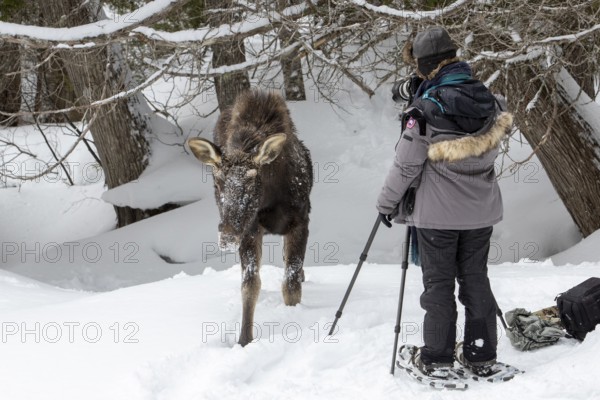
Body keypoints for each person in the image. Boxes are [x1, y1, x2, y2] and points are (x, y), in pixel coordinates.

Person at [376, 26, 513, 378]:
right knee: (475, 279)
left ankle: (437, 358)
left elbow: (406, 165)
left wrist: (385, 204)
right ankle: (481, 355)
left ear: (424, 65)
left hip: (437, 217)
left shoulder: (424, 110)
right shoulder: (490, 101)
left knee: (438, 286)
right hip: (480, 213)